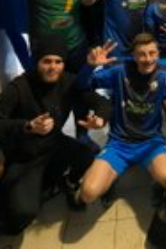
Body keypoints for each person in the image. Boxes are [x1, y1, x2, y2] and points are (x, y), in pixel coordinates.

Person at [0, 38, 110, 235]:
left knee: (86, 154)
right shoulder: (18, 87)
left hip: (53, 144)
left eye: (58, 62)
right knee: (22, 215)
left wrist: (100, 118)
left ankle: (65, 183)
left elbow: (100, 101)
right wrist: (28, 126)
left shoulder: (67, 81)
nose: (53, 67)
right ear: (37, 62)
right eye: (47, 61)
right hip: (25, 155)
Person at [75, 34, 166, 206]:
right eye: (142, 54)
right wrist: (90, 67)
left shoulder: (165, 75)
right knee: (88, 194)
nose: (148, 59)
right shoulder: (119, 71)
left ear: (158, 54)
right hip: (119, 144)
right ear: (133, 56)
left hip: (151, 142)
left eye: (152, 53)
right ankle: (109, 181)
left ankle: (158, 182)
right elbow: (82, 85)